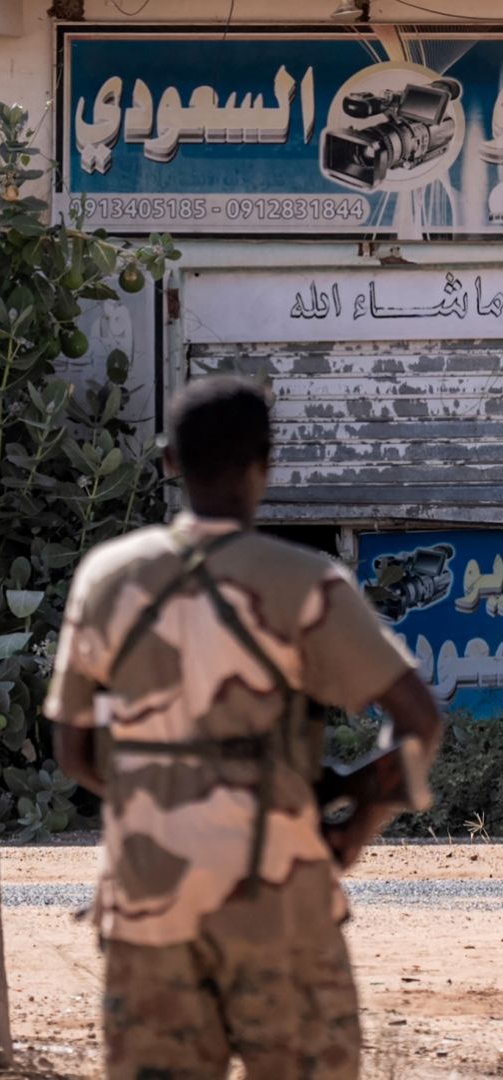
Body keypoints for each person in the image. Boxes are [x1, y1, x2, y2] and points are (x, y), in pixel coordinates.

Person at [45, 376, 442, 1080]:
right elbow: (418, 721)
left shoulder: (106, 578)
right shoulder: (306, 583)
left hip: (146, 905)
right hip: (279, 900)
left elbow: (74, 751)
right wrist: (354, 827)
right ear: (267, 463)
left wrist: (162, 793)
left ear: (169, 462)